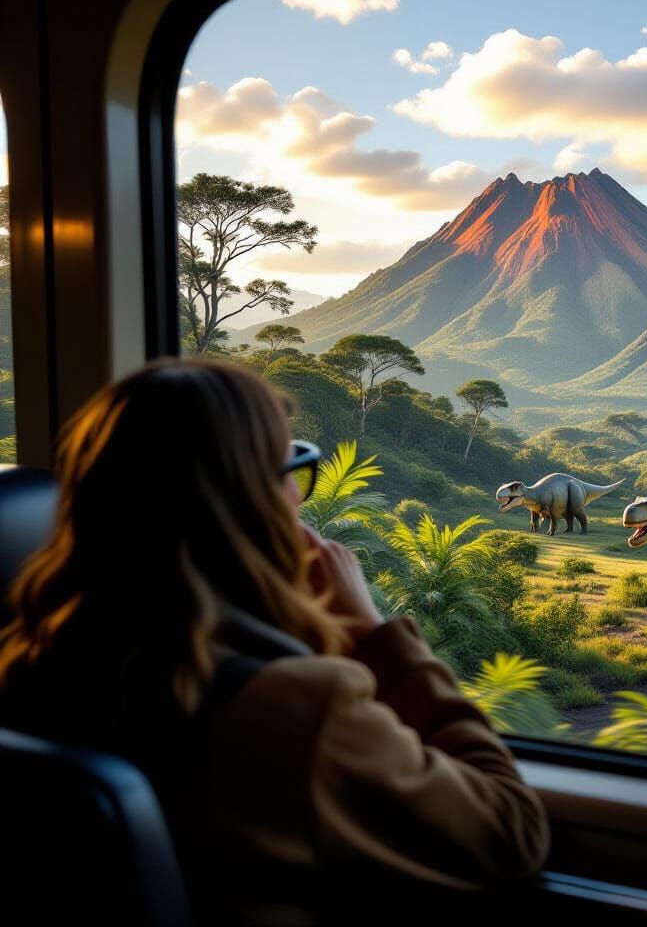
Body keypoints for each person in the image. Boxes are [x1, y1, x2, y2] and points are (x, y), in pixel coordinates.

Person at [0, 358, 550, 924]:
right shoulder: (301, 709)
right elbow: (510, 833)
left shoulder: (30, 660)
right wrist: (372, 633)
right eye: (294, 469)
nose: (299, 496)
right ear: (254, 504)